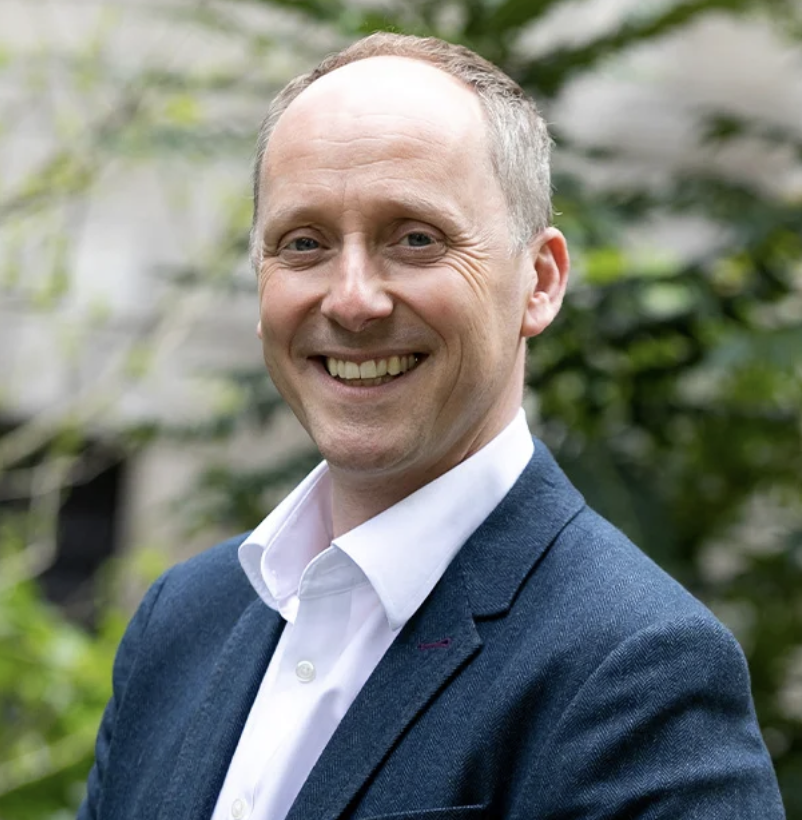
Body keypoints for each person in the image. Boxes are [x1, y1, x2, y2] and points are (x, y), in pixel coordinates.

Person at [79, 33, 785, 820]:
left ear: (540, 282)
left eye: (416, 238)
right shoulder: (183, 620)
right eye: (303, 244)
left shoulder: (636, 670)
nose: (351, 300)